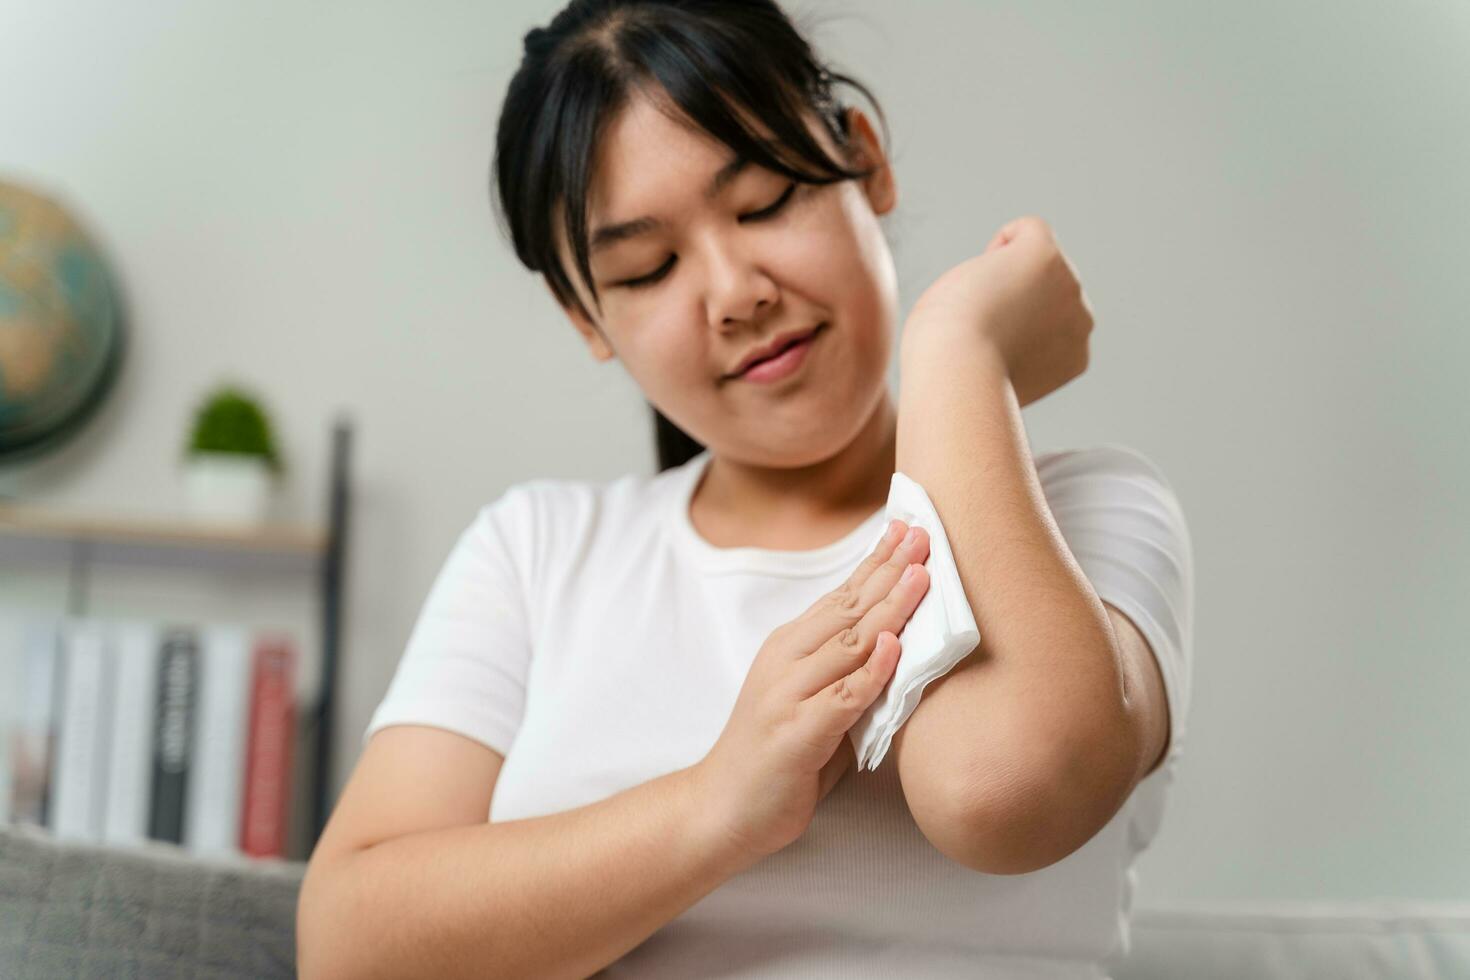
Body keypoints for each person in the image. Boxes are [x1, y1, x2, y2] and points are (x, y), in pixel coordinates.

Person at [296, 2, 1195, 978]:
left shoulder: (1091, 511)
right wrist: (719, 802)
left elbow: (1001, 785)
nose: (736, 292)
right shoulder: (536, 550)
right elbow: (349, 946)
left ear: (866, 158)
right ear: (585, 314)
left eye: (764, 200)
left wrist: (956, 351)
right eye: (647, 268)